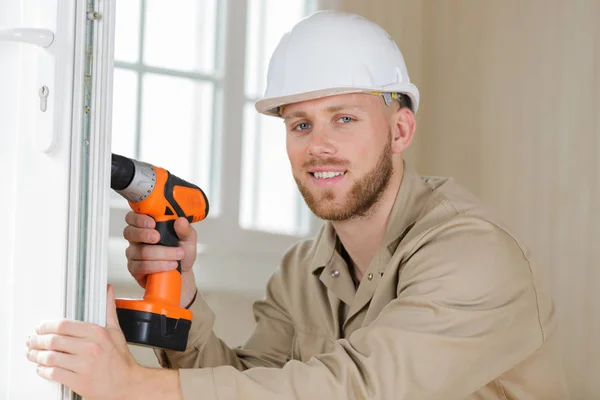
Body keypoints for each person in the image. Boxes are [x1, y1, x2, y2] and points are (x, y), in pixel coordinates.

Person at [25, 10, 569, 399]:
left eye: (344, 118)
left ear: (400, 129)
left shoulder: (476, 256)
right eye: (300, 124)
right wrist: (182, 298)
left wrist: (137, 388)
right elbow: (252, 380)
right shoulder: (302, 270)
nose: (318, 146)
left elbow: (363, 389)